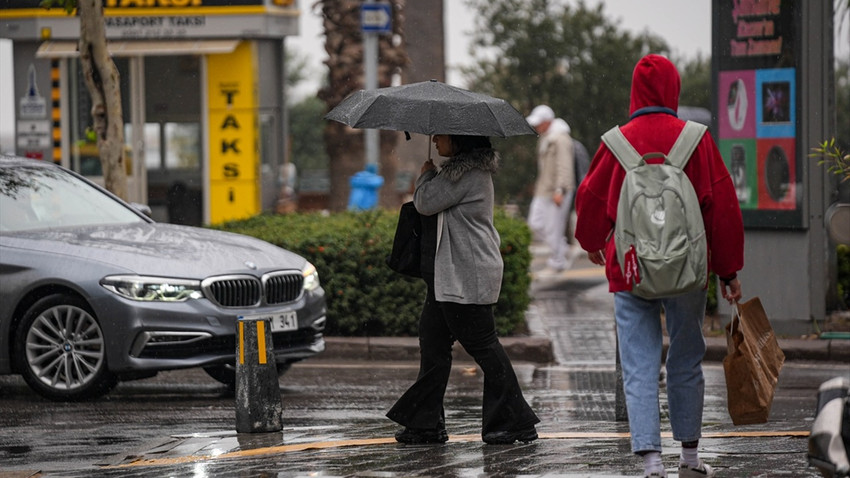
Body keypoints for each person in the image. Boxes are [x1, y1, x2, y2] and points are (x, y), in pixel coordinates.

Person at [574, 54, 744, 478]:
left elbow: (591, 201)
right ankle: (689, 457)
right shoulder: (696, 139)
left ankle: (651, 461)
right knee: (686, 358)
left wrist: (594, 244)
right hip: (687, 271)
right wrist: (728, 271)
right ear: (674, 90)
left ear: (635, 91)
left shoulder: (616, 142)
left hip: (630, 270)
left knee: (639, 362)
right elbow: (721, 208)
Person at [386, 134, 540, 445]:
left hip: (465, 275)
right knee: (433, 344)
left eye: (440, 136)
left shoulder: (466, 174)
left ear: (459, 141)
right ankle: (425, 423)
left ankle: (514, 421)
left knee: (483, 345)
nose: (435, 139)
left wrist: (426, 174)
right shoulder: (459, 172)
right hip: (447, 276)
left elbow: (426, 203)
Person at [525, 105, 576, 272]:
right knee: (535, 223)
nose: (536, 126)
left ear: (547, 121)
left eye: (539, 123)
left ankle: (558, 260)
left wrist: (560, 190)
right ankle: (561, 249)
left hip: (556, 190)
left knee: (554, 227)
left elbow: (564, 166)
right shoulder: (546, 137)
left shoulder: (560, 139)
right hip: (544, 189)